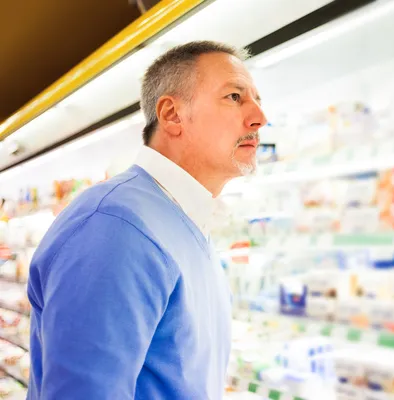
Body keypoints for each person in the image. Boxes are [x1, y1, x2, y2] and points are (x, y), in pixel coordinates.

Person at [26, 40, 267, 399]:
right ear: (171, 115)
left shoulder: (185, 221)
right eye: (234, 97)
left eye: (257, 100)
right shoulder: (115, 227)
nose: (259, 117)